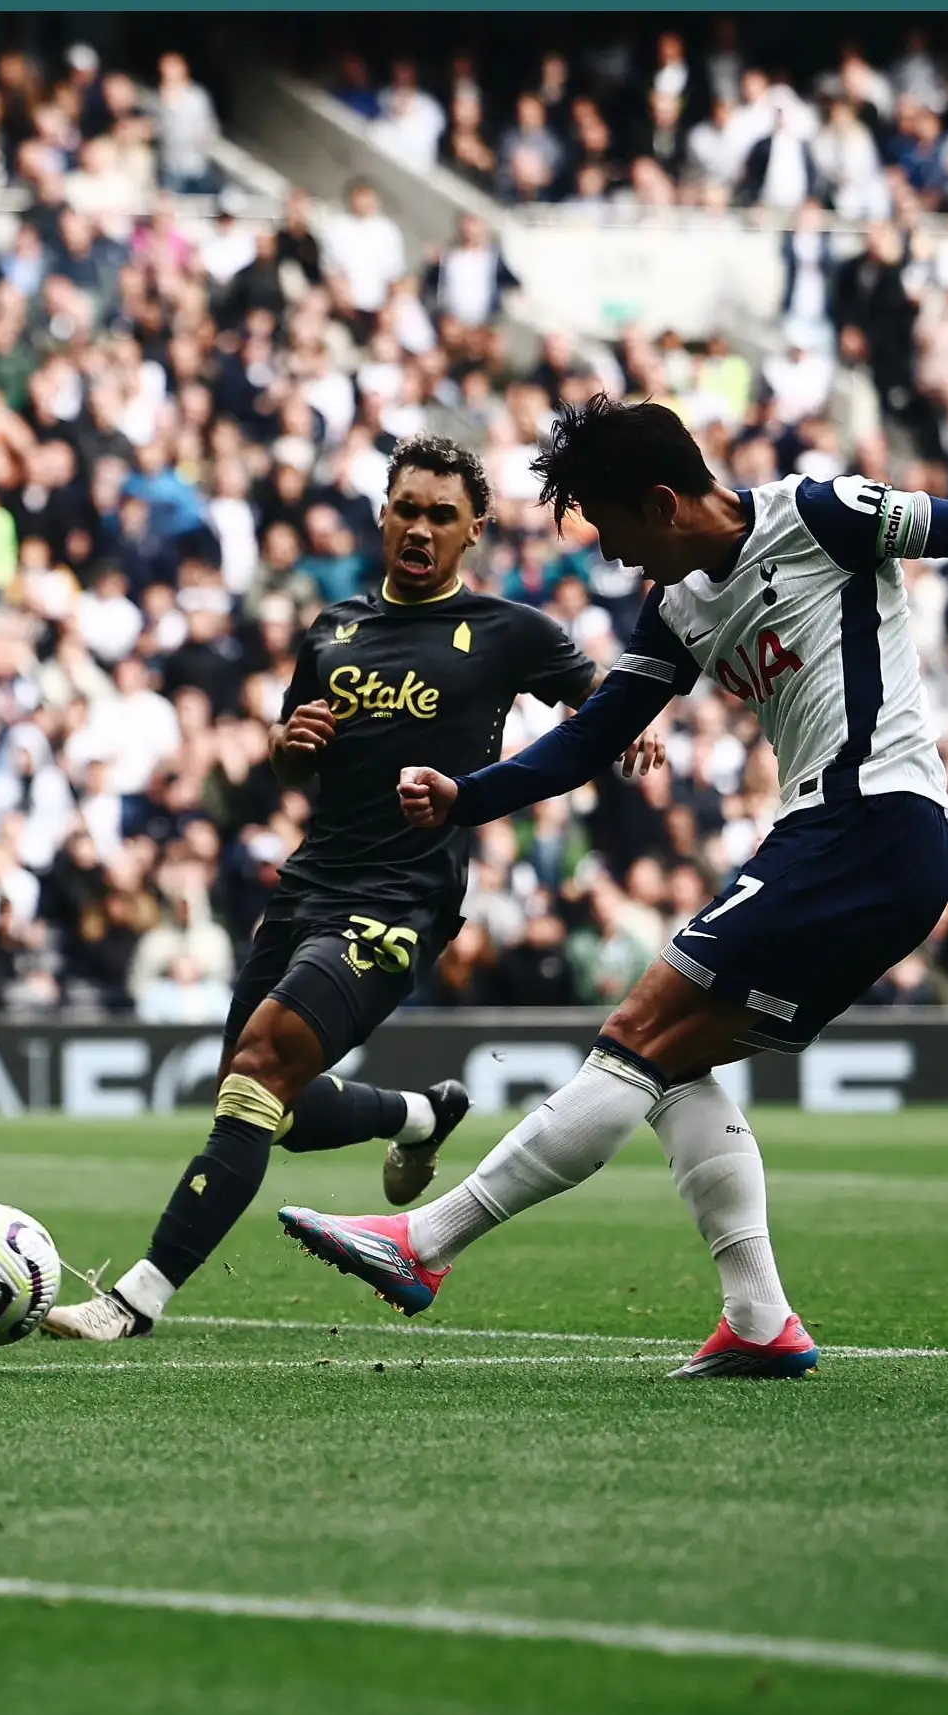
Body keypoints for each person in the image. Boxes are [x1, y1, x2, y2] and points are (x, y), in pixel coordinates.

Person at [277, 395, 948, 1380]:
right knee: (667, 1060)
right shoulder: (677, 606)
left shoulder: (822, 515)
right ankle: (758, 1317)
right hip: (847, 844)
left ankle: (425, 1242)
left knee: (634, 1032)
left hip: (871, 822)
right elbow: (596, 735)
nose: (609, 554)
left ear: (666, 501)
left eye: (611, 524)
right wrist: (466, 796)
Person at [43, 434, 662, 1341]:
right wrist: (287, 746)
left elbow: (598, 694)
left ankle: (135, 1298)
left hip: (402, 898)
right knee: (265, 1104)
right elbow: (297, 763)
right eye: (407, 509)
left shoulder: (508, 633)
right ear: (383, 515)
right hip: (307, 886)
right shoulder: (333, 628)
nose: (420, 528)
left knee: (259, 1073)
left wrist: (631, 729)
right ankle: (422, 1114)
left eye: (441, 515)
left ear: (474, 531)